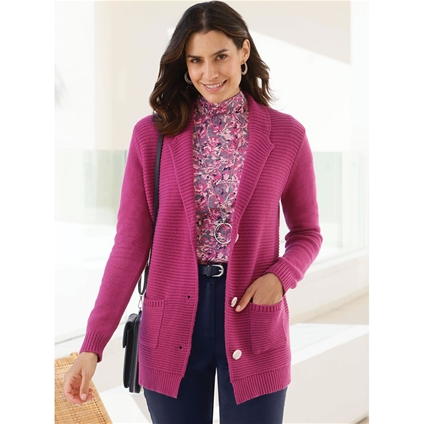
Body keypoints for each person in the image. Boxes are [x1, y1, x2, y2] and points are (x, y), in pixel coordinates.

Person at [63, 1, 323, 423]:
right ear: (183, 65)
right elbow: (130, 246)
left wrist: (281, 277)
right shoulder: (152, 136)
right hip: (170, 322)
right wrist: (92, 345)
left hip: (253, 318)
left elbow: (307, 232)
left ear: (243, 51)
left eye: (220, 56)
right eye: (196, 60)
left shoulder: (287, 135)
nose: (209, 73)